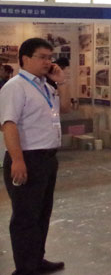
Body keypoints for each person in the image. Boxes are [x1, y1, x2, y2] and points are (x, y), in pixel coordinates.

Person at [0, 38, 65, 275]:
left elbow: (63, 110)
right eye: (42, 57)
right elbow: (8, 125)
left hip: (47, 159)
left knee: (42, 213)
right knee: (25, 217)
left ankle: (36, 260)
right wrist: (17, 160)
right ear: (25, 58)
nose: (48, 62)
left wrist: (59, 83)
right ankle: (25, 269)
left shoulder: (45, 85)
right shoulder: (15, 87)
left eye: (50, 57)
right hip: (27, 158)